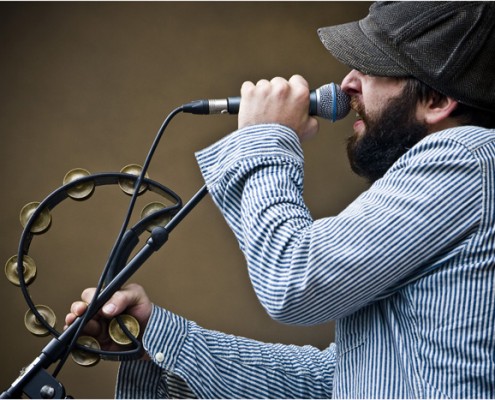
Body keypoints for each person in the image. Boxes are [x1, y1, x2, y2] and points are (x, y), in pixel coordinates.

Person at [65, 2, 495, 398]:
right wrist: (162, 337)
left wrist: (264, 138)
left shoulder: (466, 159)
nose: (347, 83)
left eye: (370, 67)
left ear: (437, 100)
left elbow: (294, 282)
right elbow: (340, 380)